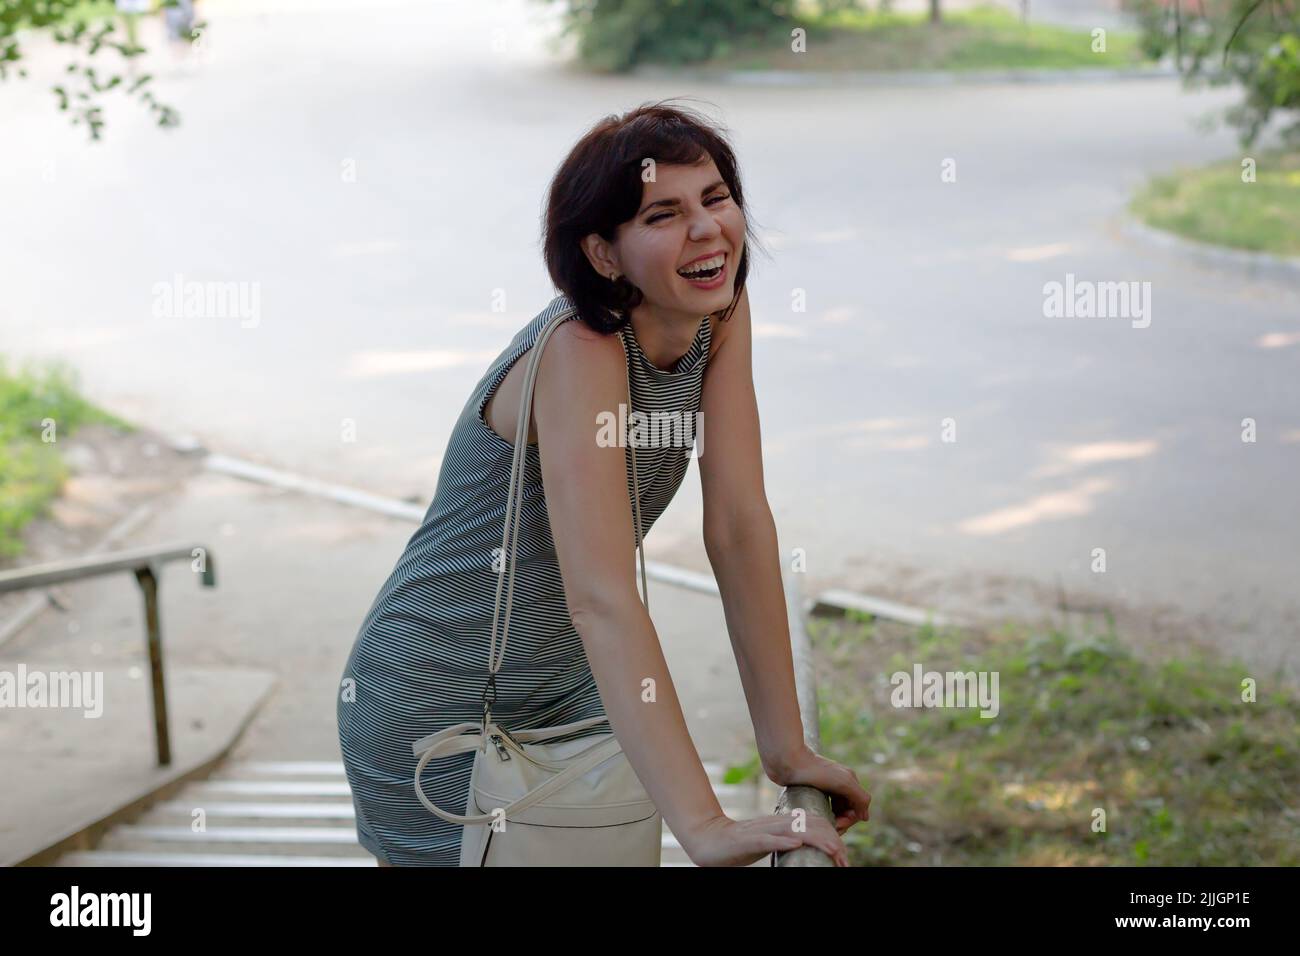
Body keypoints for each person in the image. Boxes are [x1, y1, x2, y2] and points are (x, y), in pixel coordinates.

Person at [336, 100, 871, 867]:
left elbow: (738, 525)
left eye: (716, 199)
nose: (707, 230)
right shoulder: (582, 349)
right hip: (439, 700)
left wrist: (786, 751)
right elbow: (602, 598)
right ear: (604, 253)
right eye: (664, 213)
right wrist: (707, 827)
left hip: (569, 689)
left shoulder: (716, 311)